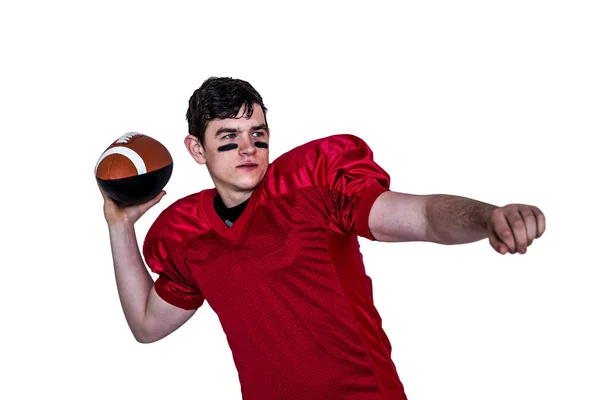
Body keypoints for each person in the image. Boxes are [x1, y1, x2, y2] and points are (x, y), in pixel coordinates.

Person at [99, 77, 546, 400]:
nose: (249, 148)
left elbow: (424, 216)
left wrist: (489, 216)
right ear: (197, 149)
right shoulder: (187, 234)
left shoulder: (313, 186)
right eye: (229, 138)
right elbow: (146, 325)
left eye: (258, 133)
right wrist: (120, 226)